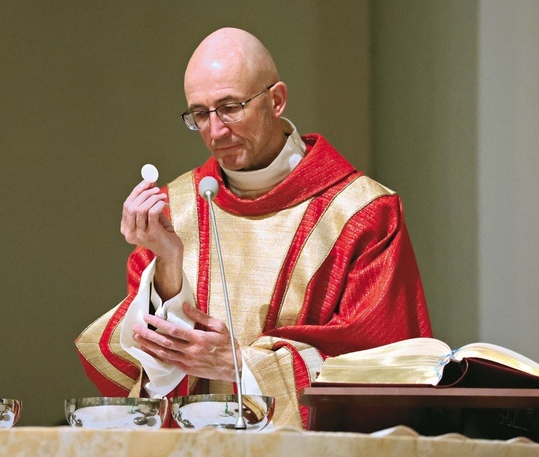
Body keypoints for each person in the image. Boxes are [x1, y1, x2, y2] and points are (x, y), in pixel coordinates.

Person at [75, 27, 432, 428]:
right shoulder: (174, 211)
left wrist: (242, 366)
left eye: (230, 107)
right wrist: (169, 261)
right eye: (200, 114)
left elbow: (384, 365)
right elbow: (147, 376)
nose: (215, 130)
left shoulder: (359, 213)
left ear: (276, 100)